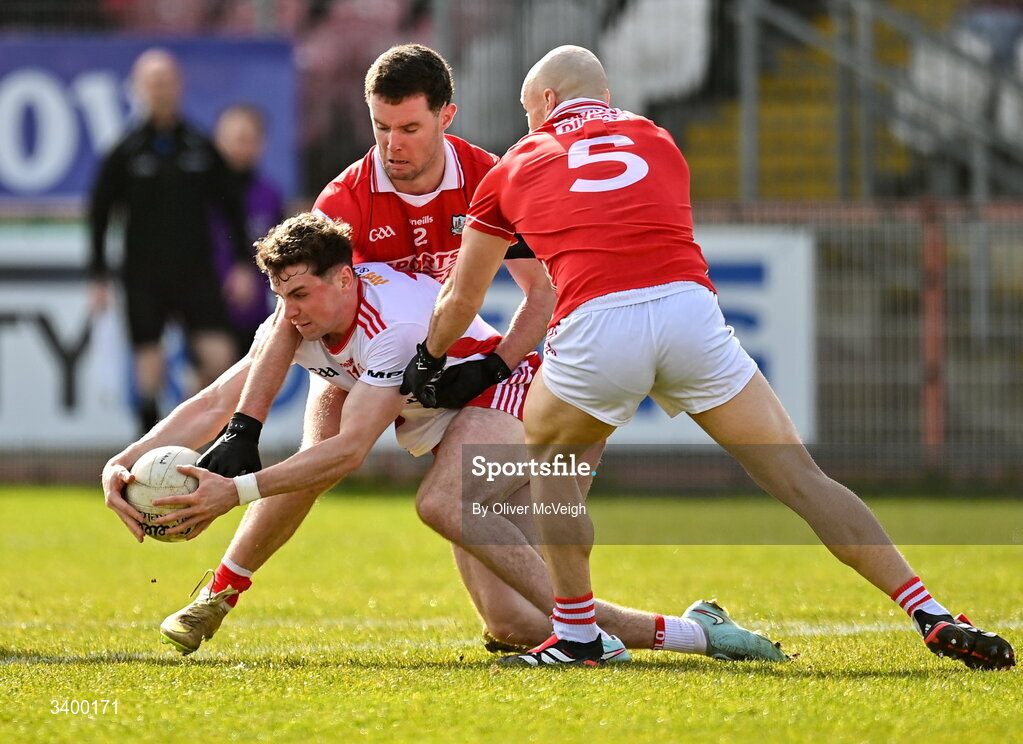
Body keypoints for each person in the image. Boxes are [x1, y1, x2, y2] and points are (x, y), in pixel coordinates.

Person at [402, 45, 1017, 670]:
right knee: (803, 479)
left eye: (530, 110)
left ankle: (579, 633)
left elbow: (460, 295)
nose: (528, 123)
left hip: (596, 325)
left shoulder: (515, 163)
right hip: (690, 315)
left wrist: (429, 358)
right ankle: (929, 611)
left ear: (549, 102)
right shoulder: (659, 139)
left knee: (553, 480)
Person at [102, 212, 786, 666]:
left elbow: (345, 454)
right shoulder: (295, 322)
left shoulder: (391, 327)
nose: (292, 312)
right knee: (516, 625)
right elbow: (220, 399)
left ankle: (586, 639)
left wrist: (235, 491)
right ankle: (698, 630)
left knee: (437, 504)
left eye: (303, 294)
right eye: (282, 296)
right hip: (447, 420)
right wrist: (126, 461)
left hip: (514, 399)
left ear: (344, 279)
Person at [145, 43, 556, 657]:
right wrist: (243, 425)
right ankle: (220, 593)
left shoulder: (489, 183)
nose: (393, 146)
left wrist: (491, 369)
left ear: (448, 116)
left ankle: (609, 625)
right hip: (364, 356)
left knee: (515, 624)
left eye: (411, 128)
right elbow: (296, 314)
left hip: (461, 367)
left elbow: (541, 293)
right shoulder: (345, 201)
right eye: (381, 127)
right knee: (320, 457)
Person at [88, 48, 251, 435]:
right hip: (142, 273)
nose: (160, 90)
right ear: (139, 88)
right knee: (150, 360)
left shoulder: (199, 146)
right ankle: (147, 444)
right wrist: (97, 275)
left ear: (178, 86)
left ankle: (192, 434)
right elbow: (99, 213)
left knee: (219, 356)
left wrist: (245, 263)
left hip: (196, 271)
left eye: (166, 82)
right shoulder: (125, 151)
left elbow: (232, 208)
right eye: (152, 83)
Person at [211, 104, 284, 357]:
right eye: (231, 139)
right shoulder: (201, 197)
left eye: (246, 139)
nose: (237, 147)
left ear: (260, 144)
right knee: (212, 370)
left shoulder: (269, 195)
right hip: (208, 309)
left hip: (254, 311)